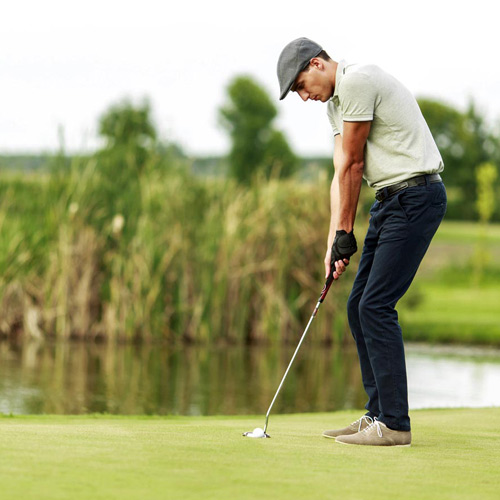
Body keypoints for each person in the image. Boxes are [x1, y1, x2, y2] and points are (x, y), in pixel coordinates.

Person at [277, 37, 446, 446]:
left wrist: (346, 232)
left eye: (301, 86)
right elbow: (341, 170)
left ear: (317, 64)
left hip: (415, 195)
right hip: (391, 202)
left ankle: (395, 425)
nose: (303, 97)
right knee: (357, 306)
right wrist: (334, 240)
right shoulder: (337, 103)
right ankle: (377, 415)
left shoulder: (357, 81)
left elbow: (355, 164)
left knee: (375, 305)